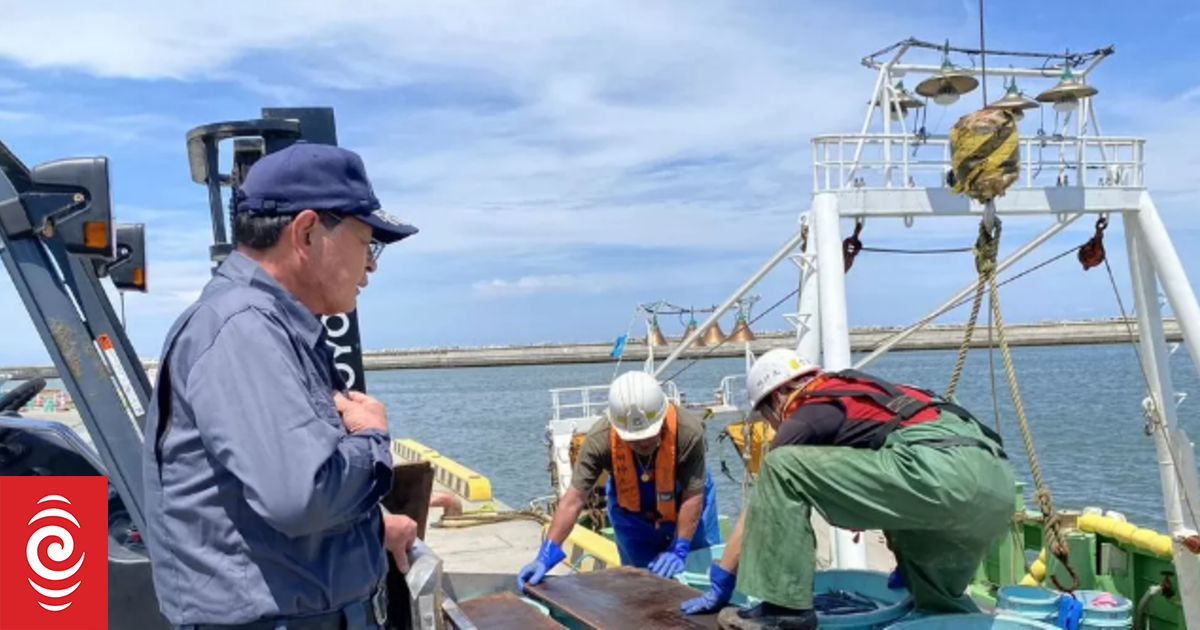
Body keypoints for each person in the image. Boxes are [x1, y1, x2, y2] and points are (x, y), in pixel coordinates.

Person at [141, 141, 421, 630]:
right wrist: (374, 438)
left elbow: (258, 506)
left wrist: (374, 526)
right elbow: (301, 496)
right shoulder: (244, 327)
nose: (371, 265)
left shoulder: (266, 324)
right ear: (308, 231)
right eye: (366, 241)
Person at [680, 348, 1015, 629]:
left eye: (767, 417)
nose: (772, 426)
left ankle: (785, 609)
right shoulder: (875, 393)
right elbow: (885, 465)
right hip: (996, 485)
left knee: (780, 467)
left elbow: (765, 496)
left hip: (938, 470)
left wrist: (724, 574)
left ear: (777, 397)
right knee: (936, 606)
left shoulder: (808, 408)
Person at [517, 370, 722, 591]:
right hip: (633, 514)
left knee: (701, 577)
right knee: (642, 588)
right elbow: (574, 500)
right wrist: (546, 554)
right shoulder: (598, 440)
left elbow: (693, 496)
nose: (643, 443)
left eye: (648, 435)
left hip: (686, 500)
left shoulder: (688, 431)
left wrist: (680, 547)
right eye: (634, 439)